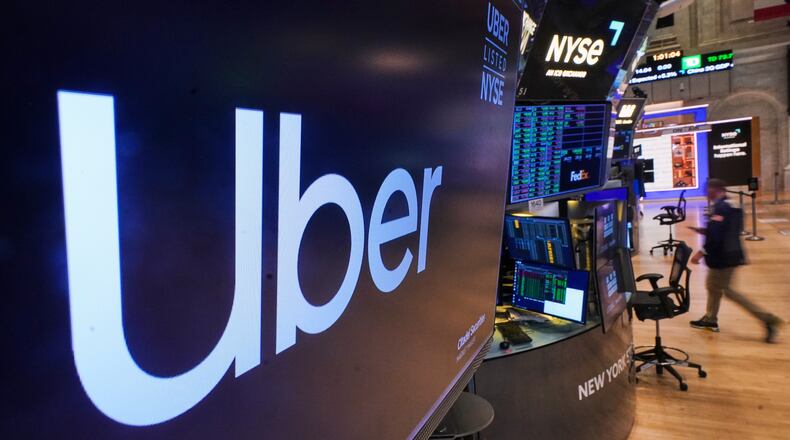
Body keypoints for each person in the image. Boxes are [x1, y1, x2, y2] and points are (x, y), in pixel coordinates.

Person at [687, 178, 783, 343]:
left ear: (714, 189)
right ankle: (710, 319)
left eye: (707, 190)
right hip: (731, 254)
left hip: (723, 257)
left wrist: (701, 252)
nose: (705, 193)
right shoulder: (732, 206)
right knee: (712, 286)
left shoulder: (720, 207)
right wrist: (704, 230)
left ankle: (768, 320)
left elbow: (717, 237)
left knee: (728, 291)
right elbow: (728, 231)